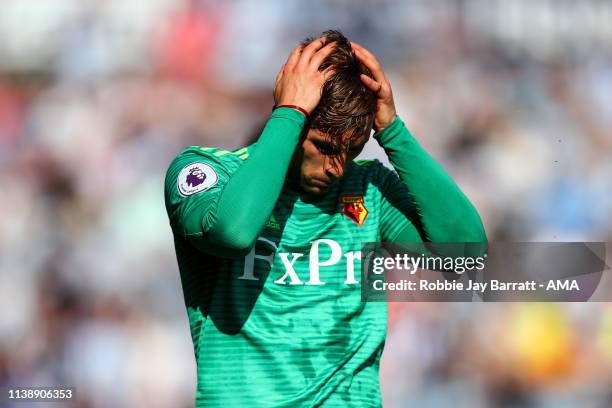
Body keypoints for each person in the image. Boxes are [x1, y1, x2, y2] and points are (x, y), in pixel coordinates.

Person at [164, 30, 486, 407]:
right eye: (324, 146)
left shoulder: (370, 190)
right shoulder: (205, 171)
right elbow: (232, 233)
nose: (336, 167)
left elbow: (467, 257)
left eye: (350, 150)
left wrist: (393, 131)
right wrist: (289, 113)